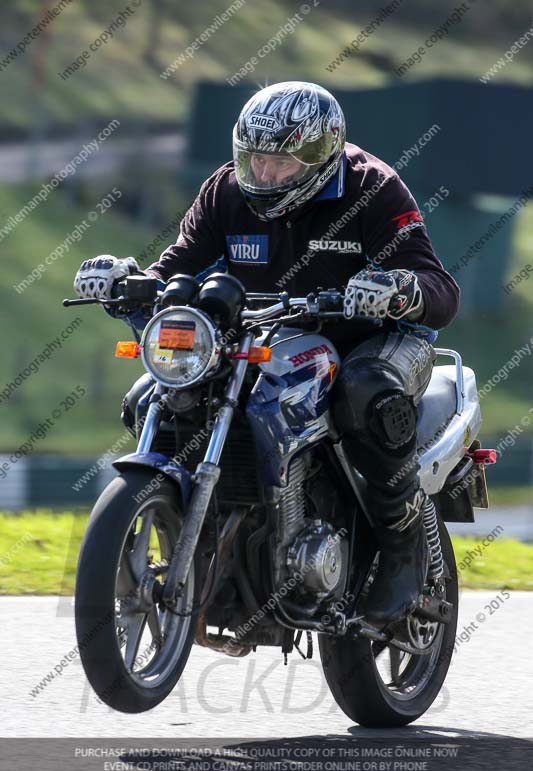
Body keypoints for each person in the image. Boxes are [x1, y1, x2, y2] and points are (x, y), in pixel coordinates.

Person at [73, 81, 460, 626]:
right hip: (267, 334)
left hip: (370, 338)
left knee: (366, 391)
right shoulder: (226, 192)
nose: (265, 175)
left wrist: (402, 289)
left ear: (320, 155)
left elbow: (440, 289)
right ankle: (218, 537)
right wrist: (130, 282)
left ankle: (400, 549)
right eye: (255, 160)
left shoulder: (372, 188)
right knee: (154, 396)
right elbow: (180, 263)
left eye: (280, 163)